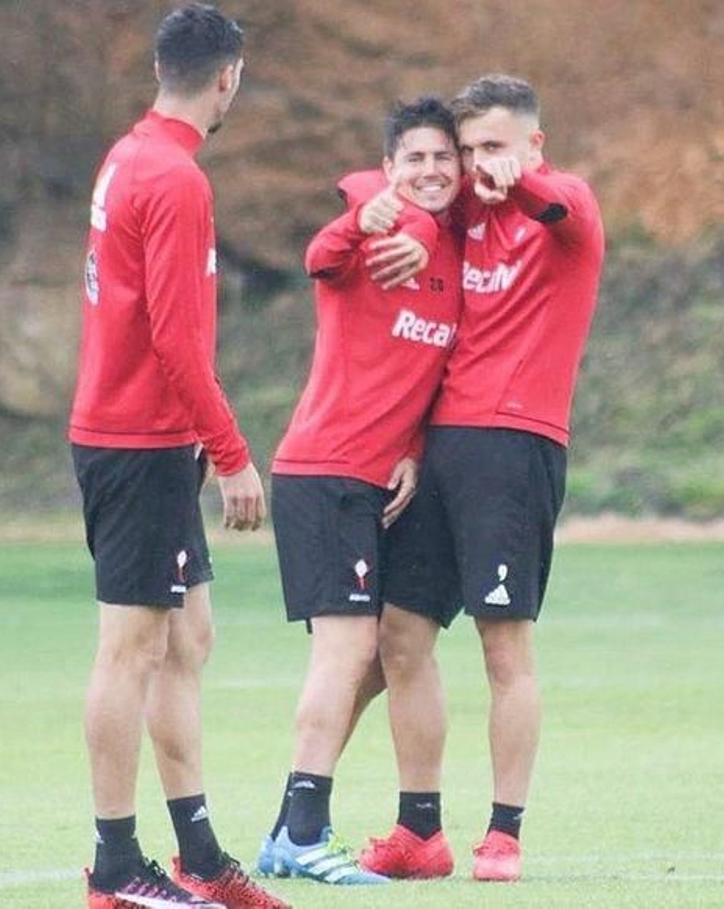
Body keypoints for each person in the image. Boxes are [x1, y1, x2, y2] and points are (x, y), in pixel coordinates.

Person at [357, 74, 605, 883]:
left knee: (505, 649)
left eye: (492, 147)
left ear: (534, 144)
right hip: (442, 449)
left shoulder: (563, 206)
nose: (476, 164)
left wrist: (519, 182)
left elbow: (562, 207)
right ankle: (418, 829)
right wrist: (393, 214)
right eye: (469, 151)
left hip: (515, 448)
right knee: (399, 633)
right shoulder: (458, 218)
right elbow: (376, 180)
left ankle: (503, 835)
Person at [67, 5, 286, 908]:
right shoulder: (176, 179)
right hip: (139, 444)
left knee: (188, 638)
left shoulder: (130, 156)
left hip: (144, 440)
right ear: (227, 76)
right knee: (131, 649)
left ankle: (197, 850)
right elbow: (176, 343)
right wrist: (232, 454)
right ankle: (116, 867)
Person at [252, 97, 465, 886]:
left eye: (443, 158)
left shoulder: (450, 262)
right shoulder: (373, 230)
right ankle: (305, 832)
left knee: (367, 652)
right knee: (344, 649)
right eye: (414, 159)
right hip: (324, 472)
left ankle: (286, 829)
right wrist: (371, 219)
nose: (431, 171)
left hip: (378, 478)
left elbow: (416, 376)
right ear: (388, 170)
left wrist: (411, 446)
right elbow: (318, 256)